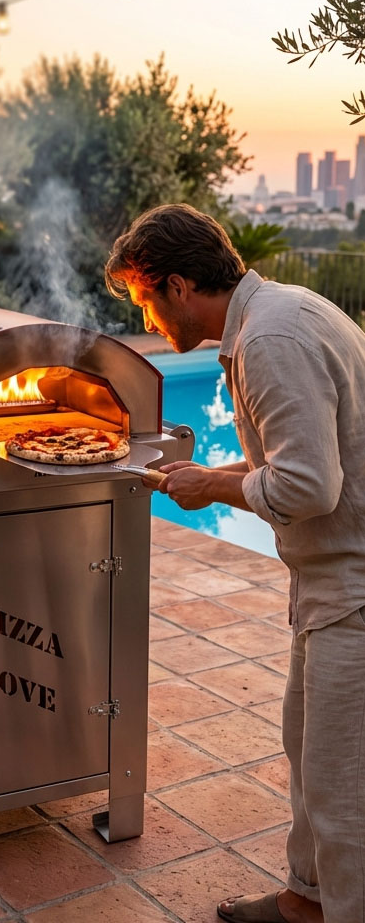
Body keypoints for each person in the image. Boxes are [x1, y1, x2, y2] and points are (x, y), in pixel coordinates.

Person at [105, 203, 365, 923]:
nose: (150, 322)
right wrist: (212, 473)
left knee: (344, 792)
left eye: (145, 303)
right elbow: (295, 462)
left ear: (179, 286)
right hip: (328, 581)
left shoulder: (272, 339)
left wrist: (213, 485)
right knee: (308, 751)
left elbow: (311, 488)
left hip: (356, 585)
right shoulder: (276, 314)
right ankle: (303, 903)